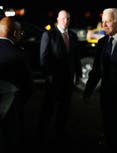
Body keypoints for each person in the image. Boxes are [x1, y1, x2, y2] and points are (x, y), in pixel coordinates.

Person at [83, 8, 117, 153]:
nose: (104, 25)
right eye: (103, 21)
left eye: (108, 21)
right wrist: (88, 90)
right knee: (108, 130)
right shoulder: (101, 43)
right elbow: (96, 71)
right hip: (106, 97)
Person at [39, 10, 82, 142]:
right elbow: (43, 57)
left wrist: (78, 74)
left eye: (68, 19)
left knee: (64, 108)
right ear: (58, 19)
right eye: (63, 18)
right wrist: (48, 75)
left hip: (68, 79)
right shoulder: (49, 35)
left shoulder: (73, 36)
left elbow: (76, 57)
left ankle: (60, 132)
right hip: (54, 79)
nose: (66, 21)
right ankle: (41, 133)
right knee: (49, 107)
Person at [0, 16, 34, 152]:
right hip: (10, 110)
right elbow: (28, 87)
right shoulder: (19, 55)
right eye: (20, 32)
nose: (21, 35)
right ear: (14, 33)